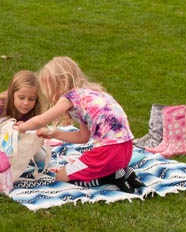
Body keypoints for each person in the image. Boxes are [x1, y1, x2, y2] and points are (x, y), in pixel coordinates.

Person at [15, 57, 143, 192]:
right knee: (78, 169)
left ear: (62, 82)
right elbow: (83, 137)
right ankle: (121, 171)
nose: (48, 94)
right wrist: (54, 134)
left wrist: (21, 127)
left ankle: (110, 177)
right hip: (126, 150)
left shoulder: (70, 97)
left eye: (49, 88)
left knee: (61, 176)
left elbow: (41, 121)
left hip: (108, 153)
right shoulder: (89, 95)